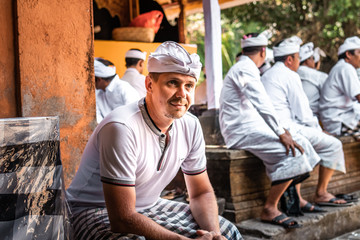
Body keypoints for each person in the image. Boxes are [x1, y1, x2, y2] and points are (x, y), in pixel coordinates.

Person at [67, 41, 241, 240]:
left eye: (189, 85)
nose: (182, 94)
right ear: (149, 84)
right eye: (173, 83)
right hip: (92, 210)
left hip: (150, 205)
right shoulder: (122, 127)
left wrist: (214, 235)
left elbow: (201, 193)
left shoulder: (191, 125)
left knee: (228, 231)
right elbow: (122, 218)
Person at [219, 31, 322, 229]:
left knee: (303, 145)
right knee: (295, 154)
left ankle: (295, 198)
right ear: (264, 52)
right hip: (240, 131)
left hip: (251, 127)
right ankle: (270, 208)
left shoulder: (246, 67)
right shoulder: (245, 69)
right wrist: (281, 132)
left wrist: (282, 130)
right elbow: (261, 103)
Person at [261, 36, 347, 211]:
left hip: (272, 128)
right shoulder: (289, 74)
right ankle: (321, 192)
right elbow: (304, 113)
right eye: (298, 57)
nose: (299, 62)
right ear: (290, 59)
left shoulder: (266, 74)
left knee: (303, 148)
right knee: (334, 145)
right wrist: (320, 132)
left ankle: (298, 198)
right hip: (287, 128)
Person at [319, 36, 360, 141]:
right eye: (359, 53)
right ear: (348, 54)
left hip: (340, 118)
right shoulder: (346, 68)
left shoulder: (341, 67)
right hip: (340, 121)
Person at [94, 57, 140, 123]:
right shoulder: (97, 93)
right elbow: (98, 117)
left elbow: (133, 116)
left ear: (99, 80)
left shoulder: (124, 89)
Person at [297, 42, 328, 118]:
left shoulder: (293, 73)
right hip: (312, 116)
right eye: (313, 58)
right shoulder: (318, 75)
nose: (314, 61)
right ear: (307, 60)